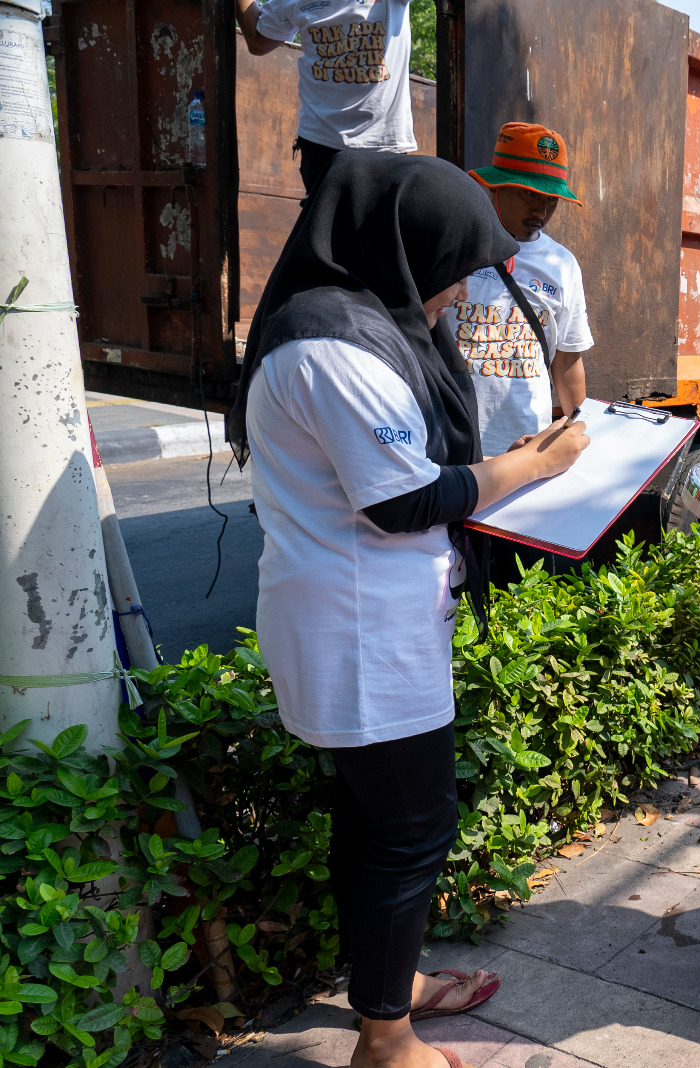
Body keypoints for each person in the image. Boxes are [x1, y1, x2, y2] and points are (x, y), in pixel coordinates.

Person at [224, 153, 589, 1068]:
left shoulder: (358, 324)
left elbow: (406, 473)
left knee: (373, 819)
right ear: (404, 245)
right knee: (415, 827)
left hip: (363, 616)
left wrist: (502, 463)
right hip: (360, 626)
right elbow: (401, 501)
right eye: (455, 264)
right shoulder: (334, 348)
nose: (463, 288)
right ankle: (386, 1040)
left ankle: (387, 985)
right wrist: (534, 467)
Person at [448, 123, 593, 458]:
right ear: (497, 187)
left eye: (551, 199)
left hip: (526, 447)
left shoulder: (563, 264)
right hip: (449, 439)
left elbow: (568, 361)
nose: (541, 212)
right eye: (529, 194)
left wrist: (580, 433)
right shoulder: (457, 245)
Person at [235, 0, 416, 195]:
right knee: (326, 224)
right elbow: (258, 40)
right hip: (321, 145)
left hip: (382, 146)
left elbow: (257, 40)